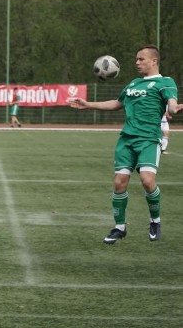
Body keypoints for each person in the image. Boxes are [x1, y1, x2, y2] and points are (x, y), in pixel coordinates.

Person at [67, 44, 181, 244]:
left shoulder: (165, 82)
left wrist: (174, 108)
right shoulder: (133, 84)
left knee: (147, 180)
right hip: (126, 140)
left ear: (154, 61)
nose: (137, 62)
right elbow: (116, 103)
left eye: (141, 59)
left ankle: (155, 221)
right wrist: (88, 105)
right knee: (119, 182)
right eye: (136, 59)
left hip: (148, 139)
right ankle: (119, 227)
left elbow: (171, 104)